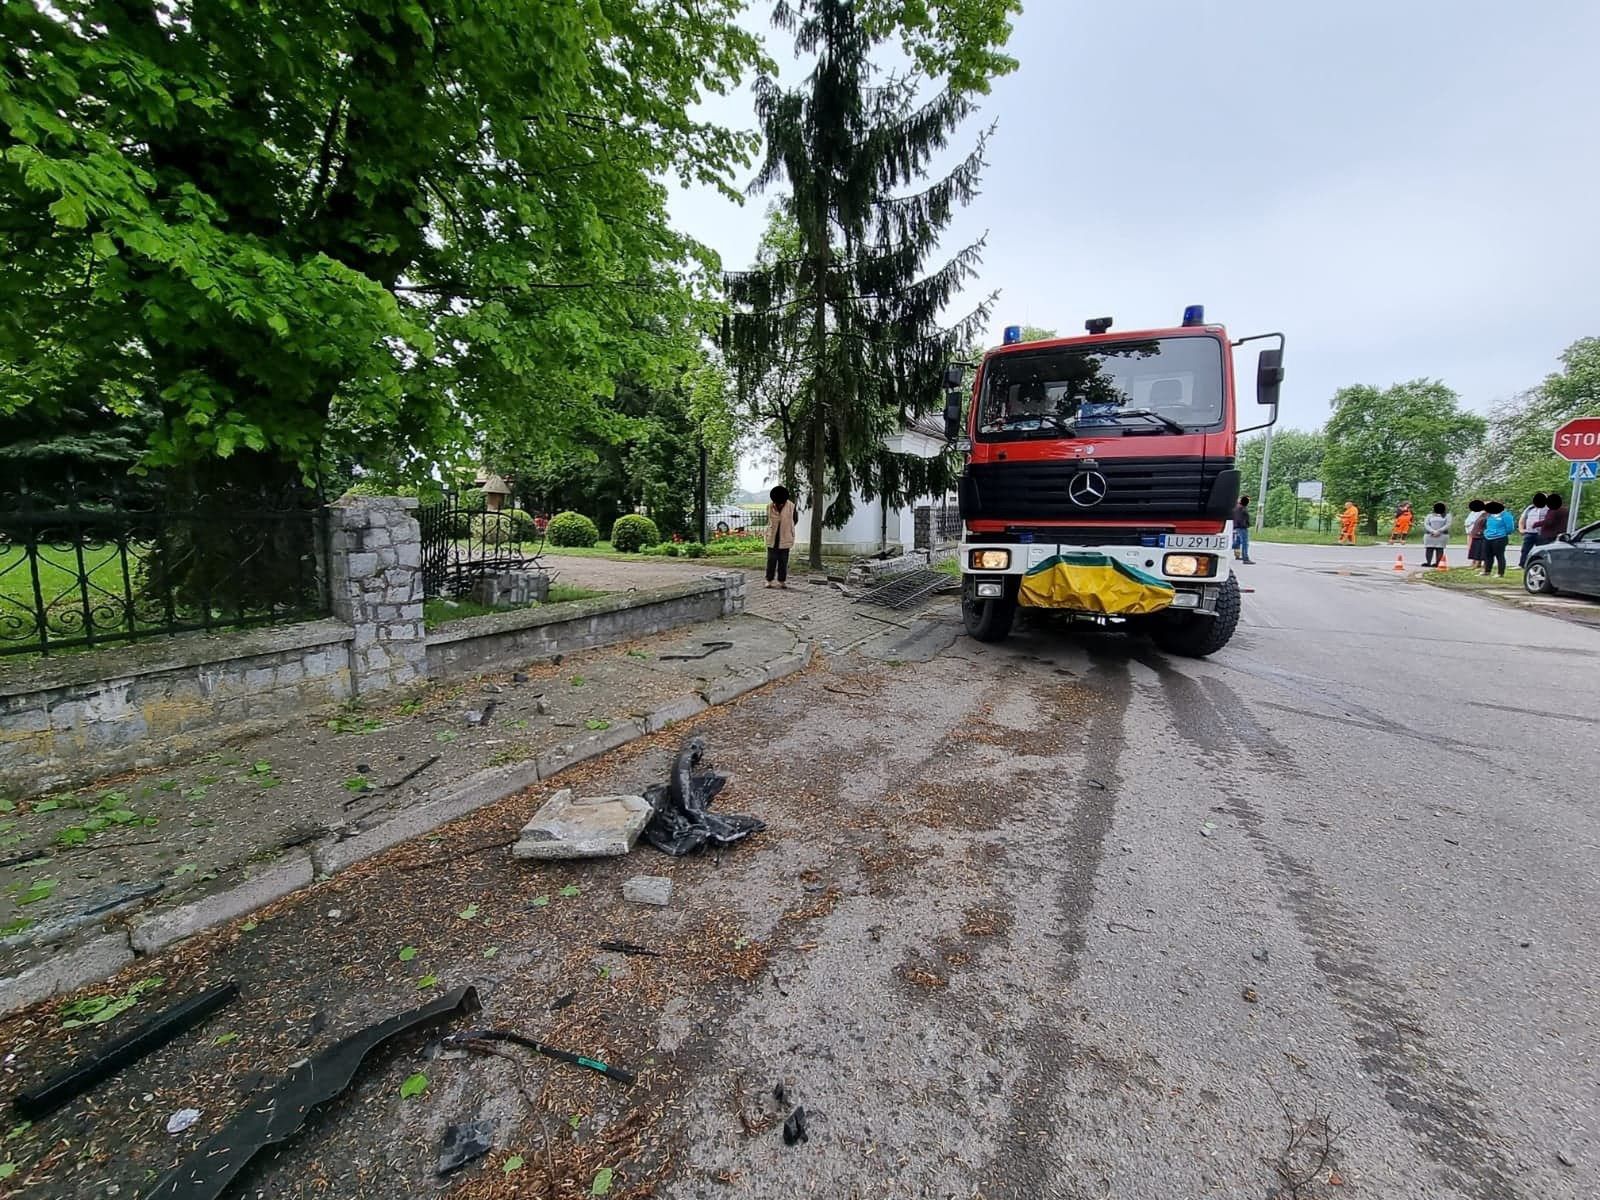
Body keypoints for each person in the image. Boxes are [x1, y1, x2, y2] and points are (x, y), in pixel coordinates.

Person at [763, 485, 798, 589]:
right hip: (772, 538)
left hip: (785, 538)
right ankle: (769, 580)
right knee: (771, 561)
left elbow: (795, 519)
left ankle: (782, 581)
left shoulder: (791, 506)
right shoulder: (769, 506)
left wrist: (787, 528)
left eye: (780, 503)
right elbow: (768, 520)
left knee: (783, 561)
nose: (778, 504)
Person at [1479, 500, 1516, 577]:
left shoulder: (1506, 515)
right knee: (1488, 555)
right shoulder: (1490, 515)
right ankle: (1487, 571)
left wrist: (1503, 533)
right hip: (1488, 537)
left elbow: (1510, 528)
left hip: (1500, 538)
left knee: (1499, 555)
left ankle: (1500, 573)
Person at [1518, 492, 1548, 567]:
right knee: (1525, 550)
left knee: (1541, 550)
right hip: (1529, 532)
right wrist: (1521, 529)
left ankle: (1540, 564)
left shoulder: (1548, 508)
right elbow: (1522, 519)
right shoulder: (1530, 508)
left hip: (1541, 533)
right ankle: (1522, 564)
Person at [1422, 502, 1450, 567]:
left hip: (1442, 535)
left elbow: (1447, 524)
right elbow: (1426, 524)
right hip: (1430, 535)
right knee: (1429, 548)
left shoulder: (1447, 516)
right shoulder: (1429, 515)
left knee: (1439, 549)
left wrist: (1439, 531)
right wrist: (1433, 531)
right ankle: (1428, 562)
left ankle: (1438, 563)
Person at [1463, 499, 1486, 567]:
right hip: (1469, 533)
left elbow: (1476, 522)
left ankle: (1477, 562)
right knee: (1471, 548)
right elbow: (1467, 521)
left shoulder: (1482, 513)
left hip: (1477, 533)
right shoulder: (1472, 512)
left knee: (1478, 549)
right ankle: (1473, 561)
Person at [1231, 495, 1254, 564]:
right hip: (1242, 527)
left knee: (1237, 542)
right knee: (1245, 543)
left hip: (1237, 527)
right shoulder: (1241, 508)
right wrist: (1245, 525)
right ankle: (1245, 558)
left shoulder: (1237, 507)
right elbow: (1241, 519)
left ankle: (1233, 551)